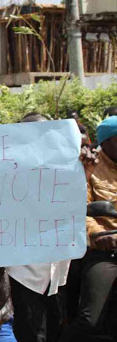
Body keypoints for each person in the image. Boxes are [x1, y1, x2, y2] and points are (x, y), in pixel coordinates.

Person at [6, 113, 70, 342]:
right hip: (24, 273)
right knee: (32, 336)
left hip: (57, 273)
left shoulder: (66, 167)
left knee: (55, 332)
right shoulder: (6, 171)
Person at [62, 116, 117, 341]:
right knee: (90, 319)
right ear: (107, 141)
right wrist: (97, 235)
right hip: (104, 250)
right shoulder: (89, 167)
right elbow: (79, 208)